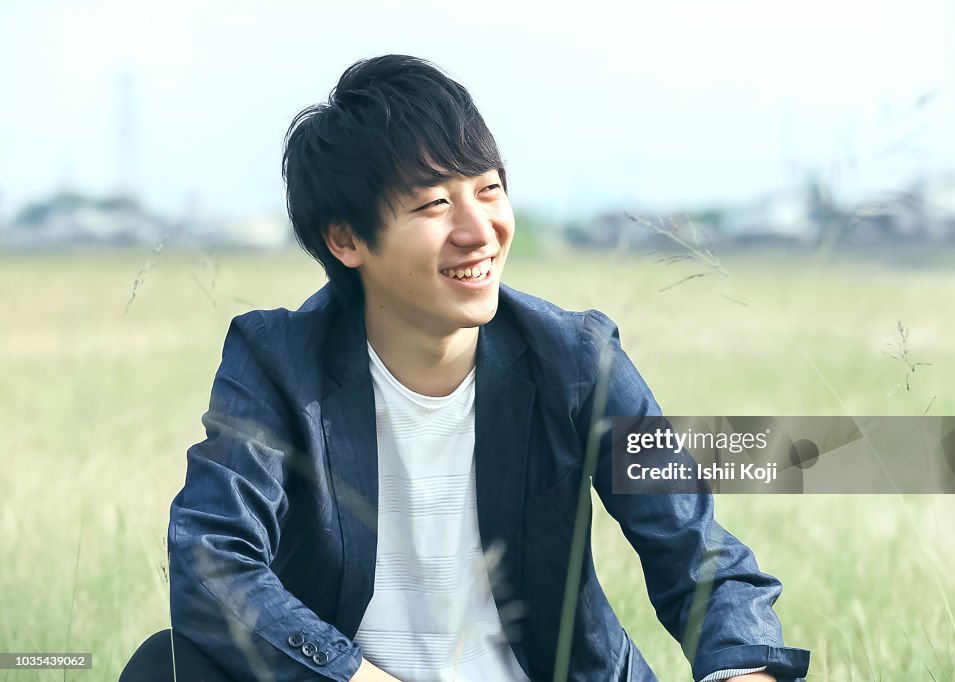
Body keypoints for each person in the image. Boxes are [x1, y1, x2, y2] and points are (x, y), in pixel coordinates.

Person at [120, 55, 810, 682]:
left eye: (488, 190)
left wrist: (741, 672)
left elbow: (699, 556)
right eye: (434, 204)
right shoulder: (278, 365)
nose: (479, 230)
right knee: (166, 667)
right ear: (346, 238)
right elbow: (211, 560)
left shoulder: (576, 359)